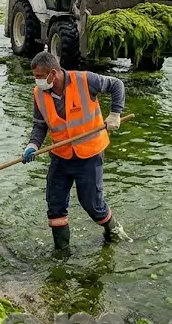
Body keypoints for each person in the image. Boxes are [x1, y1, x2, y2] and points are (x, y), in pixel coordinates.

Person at [22, 51, 128, 253]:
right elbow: (39, 125)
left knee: (93, 205)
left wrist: (115, 113)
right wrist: (33, 146)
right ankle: (61, 254)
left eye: (40, 77)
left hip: (89, 155)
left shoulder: (85, 80)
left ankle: (114, 231)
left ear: (53, 73)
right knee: (55, 205)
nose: (37, 82)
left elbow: (117, 85)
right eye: (35, 77)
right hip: (61, 157)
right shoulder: (39, 94)